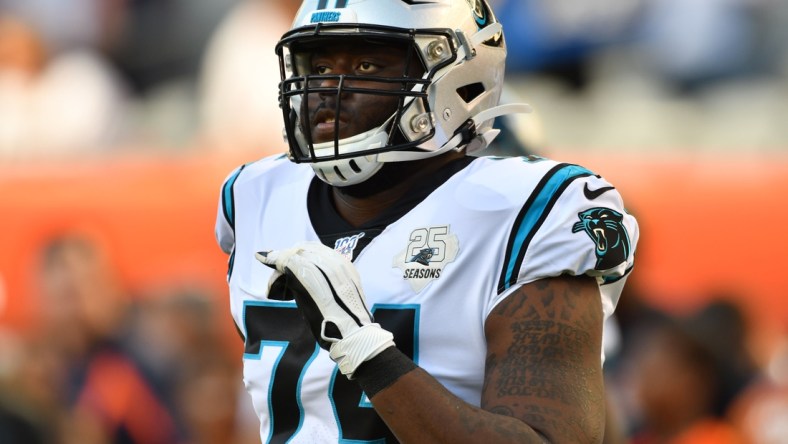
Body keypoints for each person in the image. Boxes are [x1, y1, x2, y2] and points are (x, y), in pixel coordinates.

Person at [214, 1, 639, 442]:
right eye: (317, 64)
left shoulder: (525, 213)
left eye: (364, 63)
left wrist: (365, 351)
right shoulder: (255, 196)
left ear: (455, 73)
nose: (327, 88)